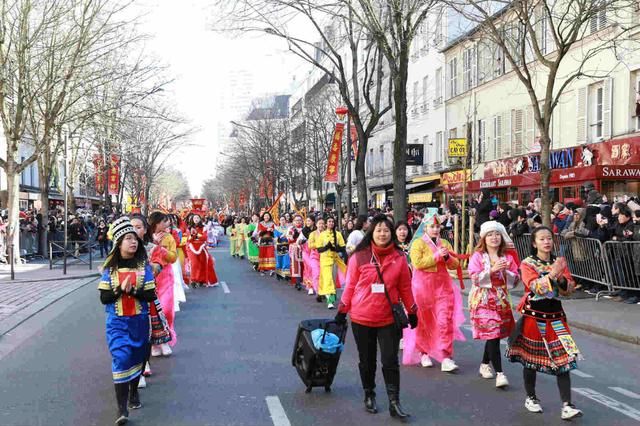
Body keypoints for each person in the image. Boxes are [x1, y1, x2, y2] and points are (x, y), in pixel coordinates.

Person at [335, 215, 418, 419]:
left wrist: (413, 311)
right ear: (371, 232)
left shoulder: (399, 258)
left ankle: (394, 401)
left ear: (392, 234)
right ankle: (369, 394)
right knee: (367, 361)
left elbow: (405, 288)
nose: (383, 234)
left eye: (386, 230)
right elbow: (351, 286)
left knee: (390, 361)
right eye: (379, 230)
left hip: (389, 319)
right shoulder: (359, 257)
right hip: (362, 318)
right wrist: (342, 311)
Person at [506, 226, 582, 420]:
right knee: (531, 359)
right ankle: (531, 397)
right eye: (541, 239)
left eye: (549, 238)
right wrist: (551, 275)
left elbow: (569, 288)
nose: (546, 242)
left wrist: (561, 278)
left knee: (564, 359)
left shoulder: (559, 261)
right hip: (534, 316)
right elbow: (534, 286)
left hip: (556, 316)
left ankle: (567, 404)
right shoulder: (527, 263)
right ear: (534, 243)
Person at [98, 217, 157, 425]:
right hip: (117, 323)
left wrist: (136, 291)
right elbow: (104, 298)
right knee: (121, 359)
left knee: (138, 360)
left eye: (135, 239)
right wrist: (119, 289)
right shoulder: (110, 270)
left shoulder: (143, 267)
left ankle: (134, 392)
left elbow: (151, 295)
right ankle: (121, 409)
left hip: (140, 322)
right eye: (128, 239)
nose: (133, 242)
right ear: (119, 243)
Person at [404, 211, 465, 372]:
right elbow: (417, 263)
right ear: (425, 228)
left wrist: (446, 258)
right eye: (432, 226)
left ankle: (446, 357)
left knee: (444, 321)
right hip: (422, 287)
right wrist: (438, 255)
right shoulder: (418, 243)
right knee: (423, 322)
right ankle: (423, 352)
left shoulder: (444, 242)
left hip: (442, 287)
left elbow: (454, 264)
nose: (435, 229)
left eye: (438, 226)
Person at [468, 221, 520, 388]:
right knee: (493, 333)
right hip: (483, 299)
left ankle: (484, 364)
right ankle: (500, 373)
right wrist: (490, 270)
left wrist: (506, 272)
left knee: (494, 335)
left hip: (501, 299)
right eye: (490, 235)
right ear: (484, 238)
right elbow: (474, 278)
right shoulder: (477, 256)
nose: (494, 238)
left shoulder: (508, 258)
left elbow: (516, 280)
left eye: (497, 234)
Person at [147, 212, 178, 356]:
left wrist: (162, 249)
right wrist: (153, 244)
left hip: (165, 276)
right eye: (164, 221)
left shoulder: (169, 237)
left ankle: (165, 340)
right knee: (151, 312)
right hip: (150, 276)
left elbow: (173, 257)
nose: (167, 224)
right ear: (156, 223)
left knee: (165, 309)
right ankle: (154, 344)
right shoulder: (147, 237)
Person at [316, 216, 346, 309]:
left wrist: (335, 248)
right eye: (329, 221)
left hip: (335, 260)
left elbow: (342, 248)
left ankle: (330, 297)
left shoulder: (338, 234)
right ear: (326, 224)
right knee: (328, 279)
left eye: (332, 221)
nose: (331, 223)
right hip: (325, 260)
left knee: (332, 279)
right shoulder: (322, 235)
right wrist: (326, 247)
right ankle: (330, 301)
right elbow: (319, 249)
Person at [306, 217, 324, 298]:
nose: (321, 225)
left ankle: (323, 290)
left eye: (323, 223)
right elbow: (310, 245)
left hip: (325, 257)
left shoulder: (327, 233)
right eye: (319, 223)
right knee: (316, 273)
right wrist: (319, 244)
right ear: (316, 224)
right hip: (315, 256)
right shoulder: (312, 234)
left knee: (323, 275)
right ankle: (318, 292)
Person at [288, 214, 304, 291]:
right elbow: (289, 239)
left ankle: (303, 280)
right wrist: (294, 236)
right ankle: (297, 282)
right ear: (293, 221)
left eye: (299, 220)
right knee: (296, 265)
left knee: (304, 264)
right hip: (294, 248)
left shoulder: (304, 229)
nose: (298, 221)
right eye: (296, 220)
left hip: (304, 248)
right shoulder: (291, 229)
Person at [274, 216, 291, 281]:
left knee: (286, 260)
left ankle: (286, 274)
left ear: (285, 221)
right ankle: (279, 274)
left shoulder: (288, 228)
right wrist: (280, 237)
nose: (282, 221)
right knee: (279, 260)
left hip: (287, 245)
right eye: (281, 220)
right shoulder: (277, 229)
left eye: (283, 220)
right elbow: (276, 237)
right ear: (279, 221)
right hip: (279, 245)